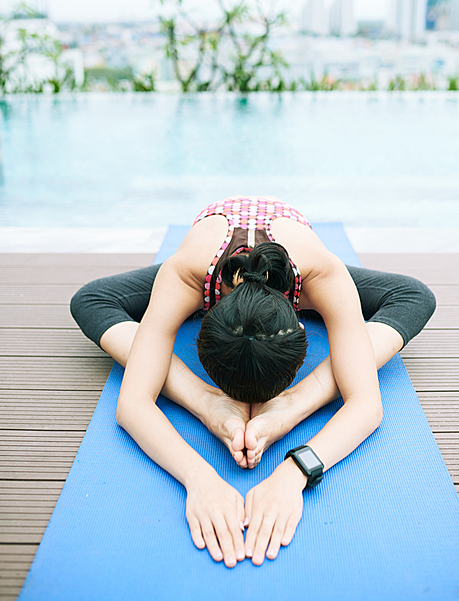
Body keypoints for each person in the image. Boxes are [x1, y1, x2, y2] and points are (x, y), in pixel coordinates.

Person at [70, 196, 436, 569]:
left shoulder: (322, 274)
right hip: (210, 258)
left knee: (413, 296)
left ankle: (295, 400)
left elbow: (366, 405)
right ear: (202, 320)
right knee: (91, 300)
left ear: (301, 325)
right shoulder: (186, 275)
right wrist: (200, 469)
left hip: (294, 258)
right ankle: (209, 398)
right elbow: (132, 405)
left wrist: (294, 458)